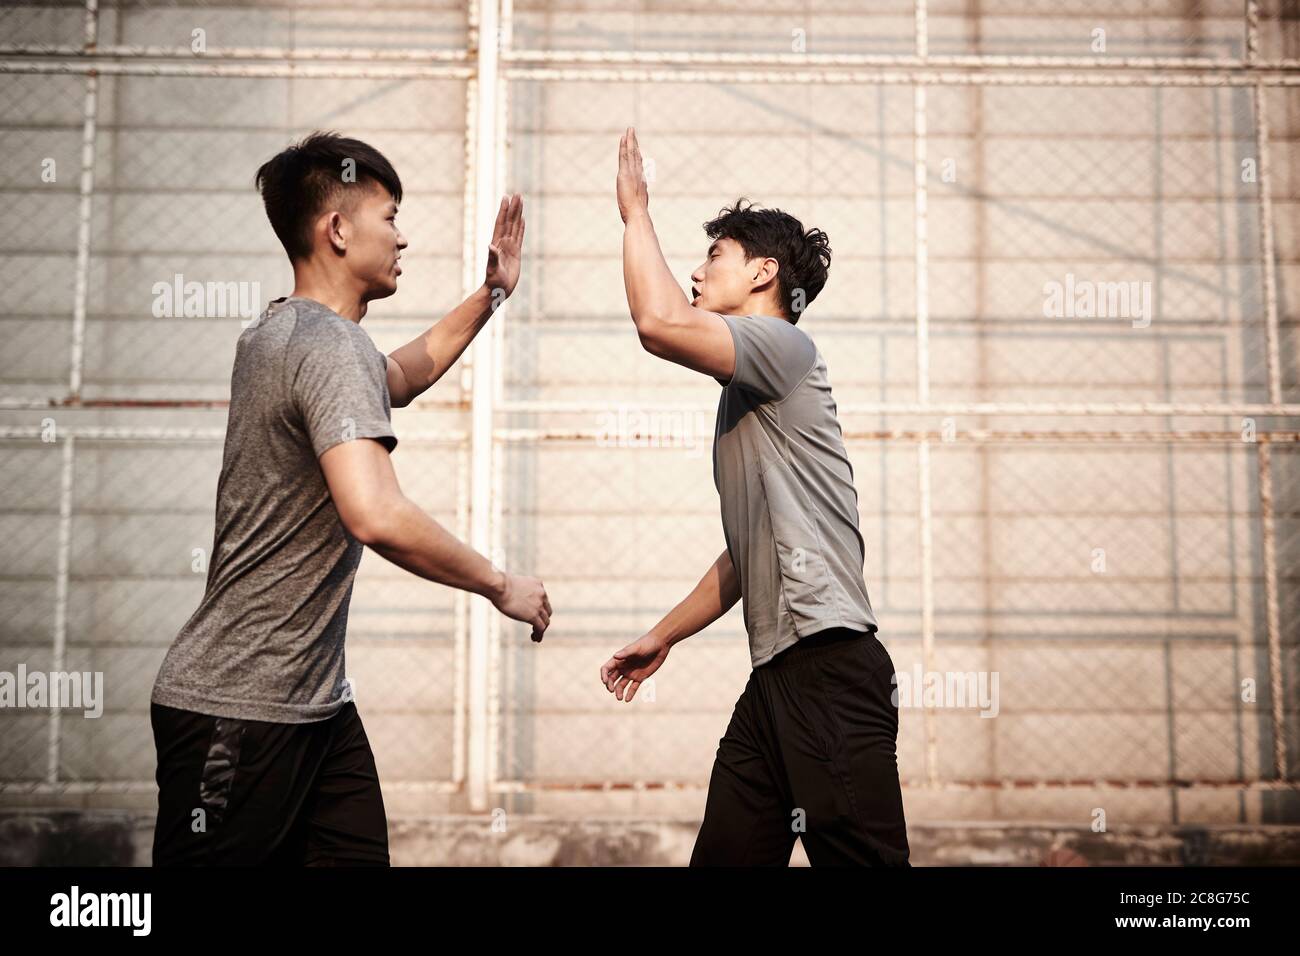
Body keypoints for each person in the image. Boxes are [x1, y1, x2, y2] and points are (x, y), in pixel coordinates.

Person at [150, 130, 550, 865]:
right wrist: (501, 585)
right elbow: (375, 514)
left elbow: (399, 373)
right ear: (336, 229)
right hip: (240, 711)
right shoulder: (326, 347)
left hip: (316, 708)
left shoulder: (283, 333)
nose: (403, 237)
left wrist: (492, 294)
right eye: (390, 216)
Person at [600, 128, 909, 866]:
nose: (698, 272)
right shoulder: (747, 394)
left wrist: (634, 211)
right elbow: (747, 554)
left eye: (714, 256)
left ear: (765, 273)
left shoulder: (784, 348)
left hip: (829, 668)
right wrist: (665, 634)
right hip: (776, 677)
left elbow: (659, 323)